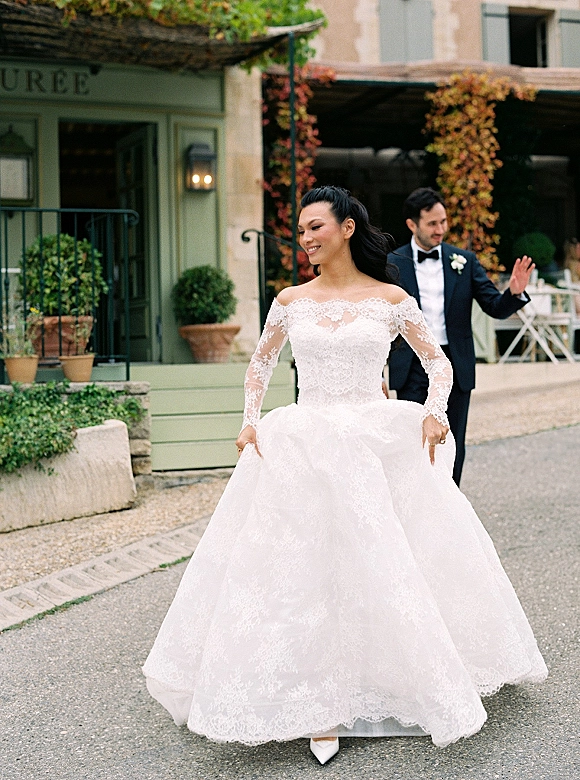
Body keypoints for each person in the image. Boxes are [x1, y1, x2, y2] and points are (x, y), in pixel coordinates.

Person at [143, 186, 547, 765]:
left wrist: (435, 415)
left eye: (315, 227)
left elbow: (439, 361)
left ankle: (397, 678)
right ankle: (315, 701)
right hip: (303, 439)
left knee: (384, 560)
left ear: (347, 228)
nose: (306, 239)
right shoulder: (288, 301)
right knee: (300, 571)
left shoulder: (390, 298)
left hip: (374, 438)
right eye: (301, 230)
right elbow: (260, 362)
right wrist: (249, 423)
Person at [388, 187, 534, 485]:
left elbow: (494, 306)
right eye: (432, 223)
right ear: (412, 225)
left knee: (453, 441)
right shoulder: (392, 263)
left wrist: (514, 293)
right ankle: (415, 505)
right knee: (413, 441)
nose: (440, 229)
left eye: (443, 221)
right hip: (411, 365)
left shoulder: (463, 261)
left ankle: (450, 507)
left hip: (454, 364)